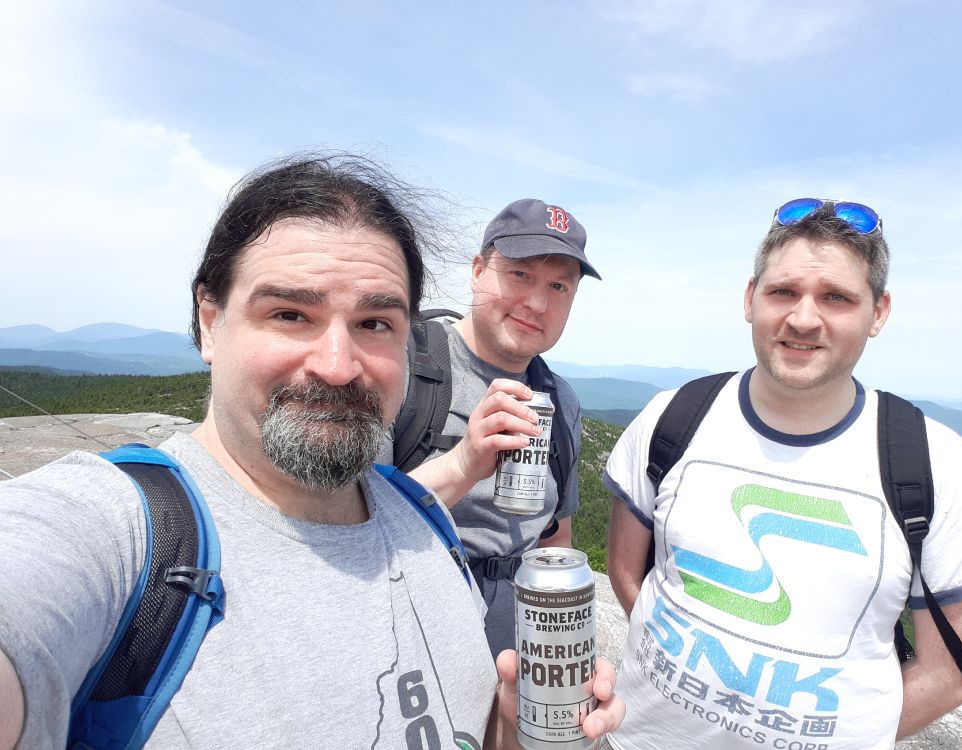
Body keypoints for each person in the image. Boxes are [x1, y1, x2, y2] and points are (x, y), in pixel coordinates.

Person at [0, 154, 623, 749]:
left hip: (510, 614)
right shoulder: (116, 532)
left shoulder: (423, 523)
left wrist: (518, 733)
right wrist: (462, 464)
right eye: (291, 313)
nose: (336, 365)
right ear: (209, 321)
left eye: (374, 323)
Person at [603, 198, 962, 750]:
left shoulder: (939, 466)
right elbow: (629, 575)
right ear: (750, 298)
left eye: (836, 297)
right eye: (783, 291)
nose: (804, 318)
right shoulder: (674, 417)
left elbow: (953, 671)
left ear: (878, 312)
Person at [385, 198, 601, 658]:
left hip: (518, 636)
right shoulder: (403, 363)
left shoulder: (560, 401)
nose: (537, 303)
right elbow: (340, 518)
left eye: (560, 287)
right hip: (408, 626)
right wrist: (462, 463)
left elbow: (555, 533)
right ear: (478, 270)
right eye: (520, 274)